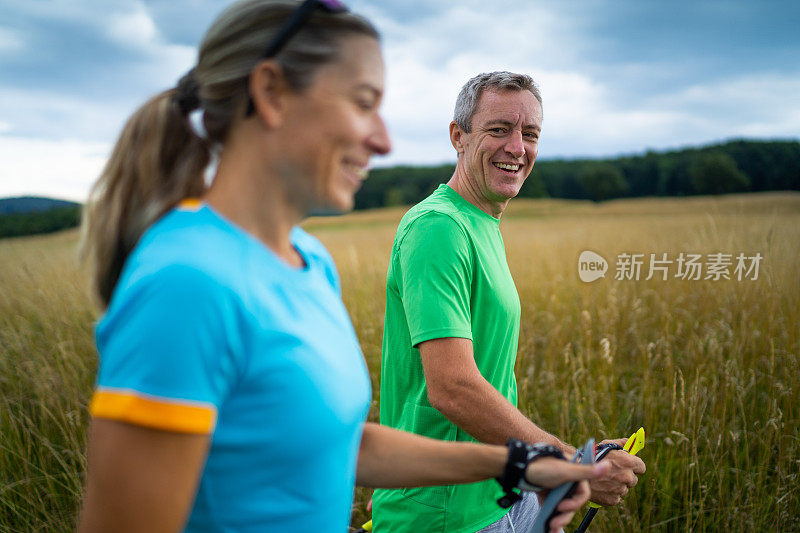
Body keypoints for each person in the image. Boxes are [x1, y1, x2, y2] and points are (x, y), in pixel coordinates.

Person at [76, 3, 609, 532]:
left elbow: (345, 444)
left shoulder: (309, 263)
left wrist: (520, 466)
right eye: (362, 103)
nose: (382, 140)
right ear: (271, 94)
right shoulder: (185, 282)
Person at [372, 71, 647, 532]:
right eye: (499, 129)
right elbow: (453, 387)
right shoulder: (439, 228)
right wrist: (568, 464)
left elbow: (487, 380)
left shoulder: (481, 223)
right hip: (445, 513)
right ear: (459, 136)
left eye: (530, 134)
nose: (517, 147)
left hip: (501, 490)